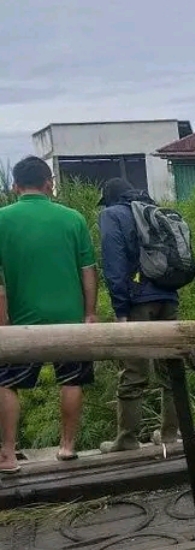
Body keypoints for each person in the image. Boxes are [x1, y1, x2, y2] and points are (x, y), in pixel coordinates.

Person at [0, 155, 97, 473]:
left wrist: (3, 322)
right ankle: (67, 447)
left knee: (6, 384)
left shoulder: (1, 220)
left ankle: (8, 455)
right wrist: (90, 313)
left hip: (21, 321)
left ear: (15, 186)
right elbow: (88, 272)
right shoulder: (73, 219)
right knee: (71, 381)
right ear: (49, 184)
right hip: (69, 318)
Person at [97, 178, 181, 454]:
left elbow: (114, 263)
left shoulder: (112, 214)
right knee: (170, 370)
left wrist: (120, 310)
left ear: (109, 198)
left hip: (137, 301)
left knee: (133, 372)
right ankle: (169, 434)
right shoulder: (153, 209)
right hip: (168, 297)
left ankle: (127, 438)